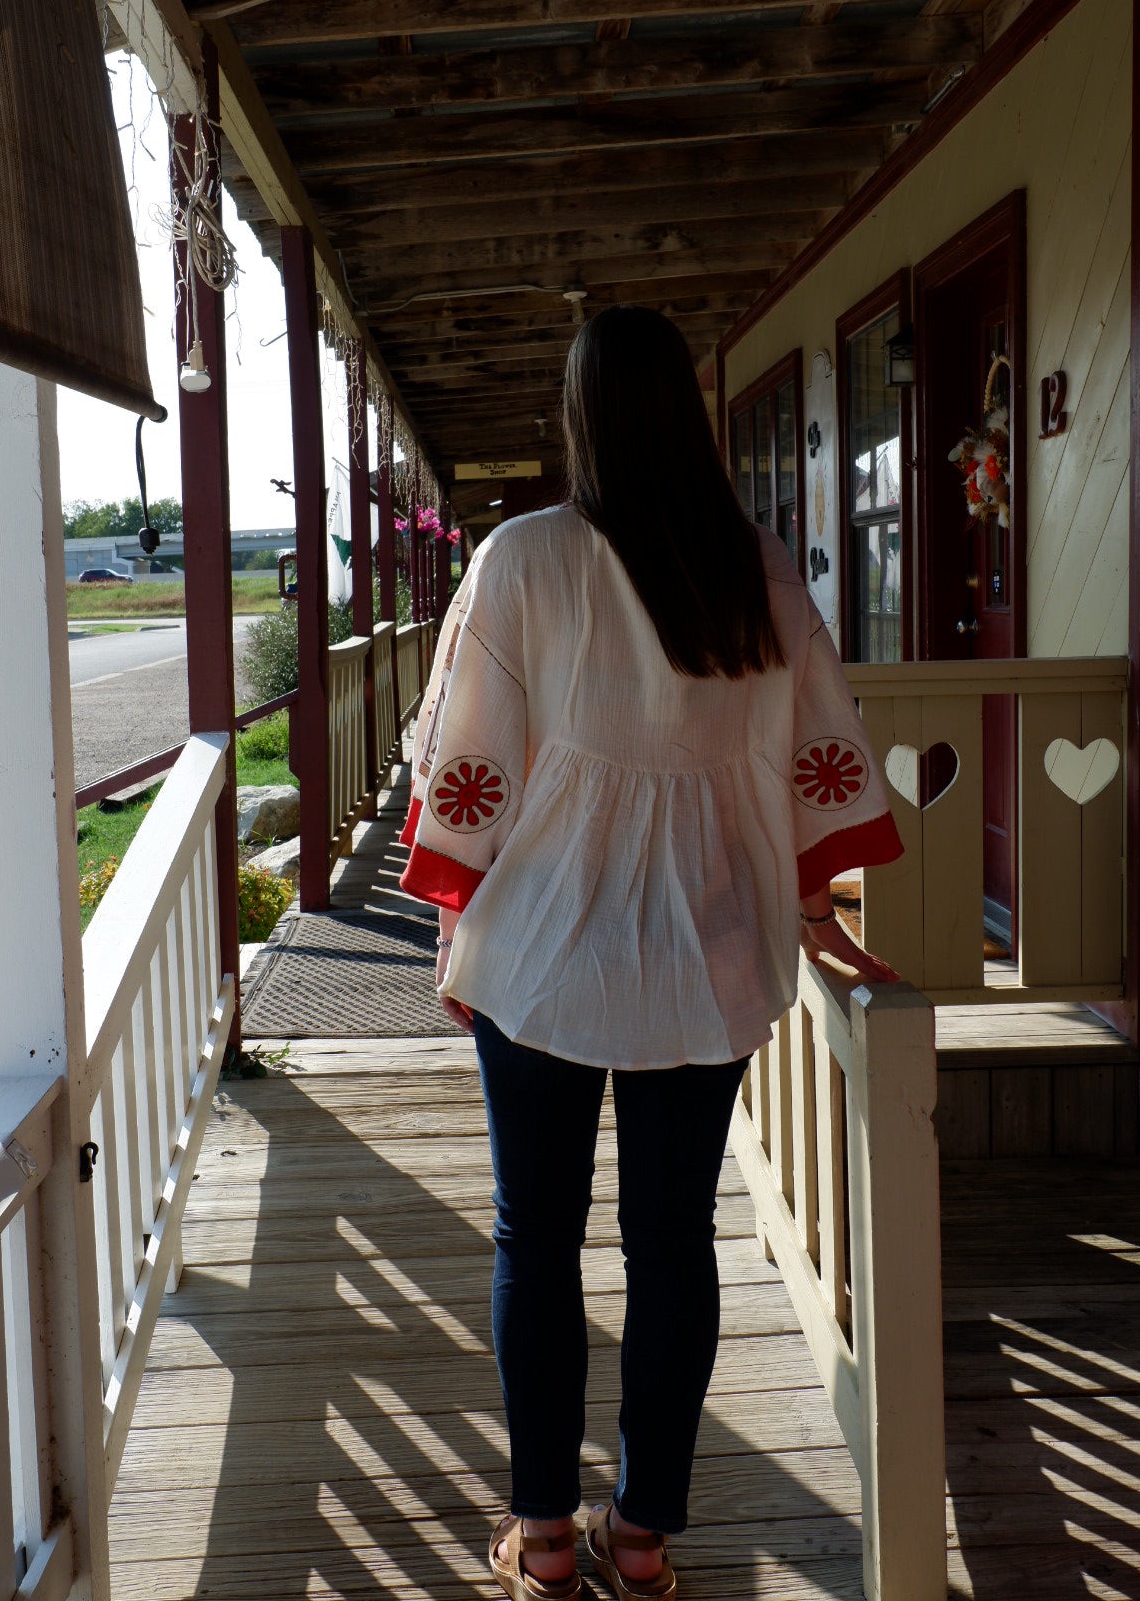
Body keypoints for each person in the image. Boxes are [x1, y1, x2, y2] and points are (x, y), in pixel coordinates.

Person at [397, 305, 903, 1601]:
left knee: (536, 1238)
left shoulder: (524, 559)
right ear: (691, 410)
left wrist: (459, 914)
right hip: (710, 948)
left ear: (579, 418)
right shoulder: (756, 568)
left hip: (549, 951)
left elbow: (469, 765)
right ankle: (645, 1536)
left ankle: (545, 1537)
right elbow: (813, 763)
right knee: (675, 1240)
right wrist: (817, 902)